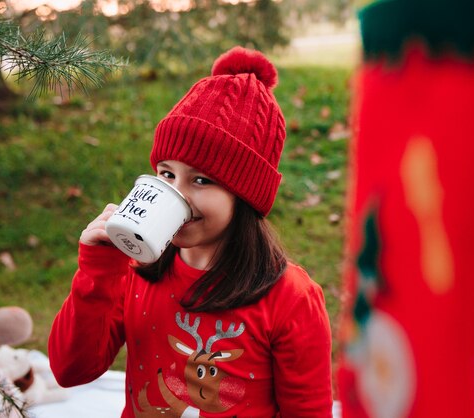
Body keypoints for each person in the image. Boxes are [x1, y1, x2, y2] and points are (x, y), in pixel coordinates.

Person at [48, 46, 333, 417]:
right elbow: (71, 370)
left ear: (245, 195)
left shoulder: (290, 299)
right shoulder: (133, 271)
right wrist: (96, 270)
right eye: (167, 174)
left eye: (201, 180)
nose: (176, 194)